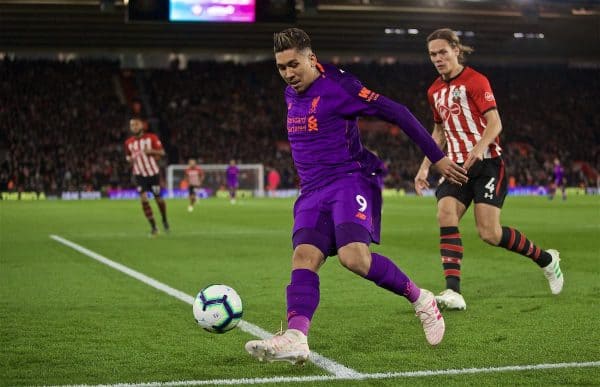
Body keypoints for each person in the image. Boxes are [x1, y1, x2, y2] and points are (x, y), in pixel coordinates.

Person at [244, 27, 469, 365]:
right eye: (281, 67)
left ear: (312, 60)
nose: (288, 74)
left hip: (349, 181)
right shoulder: (291, 93)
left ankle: (422, 299)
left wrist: (436, 157)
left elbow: (398, 113)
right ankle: (297, 337)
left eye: (294, 65)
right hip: (311, 191)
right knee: (304, 257)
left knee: (354, 258)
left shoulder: (339, 87)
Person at [413, 28, 564, 311]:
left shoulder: (475, 80)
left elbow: (495, 123)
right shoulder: (434, 90)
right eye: (433, 54)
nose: (437, 58)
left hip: (488, 165)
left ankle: (546, 259)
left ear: (456, 50)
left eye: (443, 52)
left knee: (490, 234)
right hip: (456, 167)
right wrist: (424, 167)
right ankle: (453, 291)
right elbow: (438, 133)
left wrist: (479, 148)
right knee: (445, 214)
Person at [124, 117, 169, 236]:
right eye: (132, 125)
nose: (134, 127)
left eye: (136, 124)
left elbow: (162, 152)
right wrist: (129, 159)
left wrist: (152, 151)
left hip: (153, 173)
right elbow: (128, 157)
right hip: (139, 175)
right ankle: (154, 227)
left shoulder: (151, 138)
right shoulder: (128, 143)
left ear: (142, 125)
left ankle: (164, 219)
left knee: (158, 199)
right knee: (143, 199)